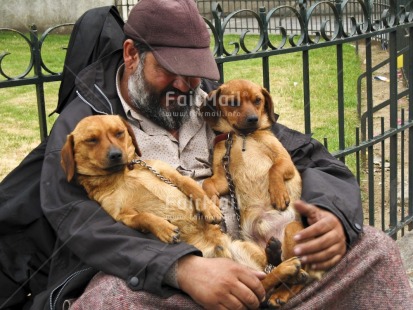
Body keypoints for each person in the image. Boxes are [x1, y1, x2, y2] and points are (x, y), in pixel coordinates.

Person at [28, 0, 412, 309]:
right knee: (110, 301)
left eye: (193, 70)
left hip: (263, 253)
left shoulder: (214, 102)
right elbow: (75, 218)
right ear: (132, 55)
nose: (184, 83)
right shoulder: (87, 122)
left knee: (374, 251)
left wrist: (332, 214)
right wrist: (181, 269)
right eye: (169, 69)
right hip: (174, 284)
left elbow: (308, 155)